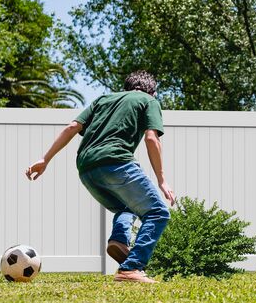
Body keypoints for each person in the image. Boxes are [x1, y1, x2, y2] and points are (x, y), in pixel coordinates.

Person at [24, 70, 176, 284]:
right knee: (158, 213)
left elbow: (72, 127)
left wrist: (45, 159)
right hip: (117, 162)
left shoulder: (104, 99)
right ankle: (131, 268)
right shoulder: (148, 100)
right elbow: (151, 139)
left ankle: (119, 241)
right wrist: (162, 179)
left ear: (127, 87)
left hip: (87, 169)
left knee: (126, 207)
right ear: (154, 91)